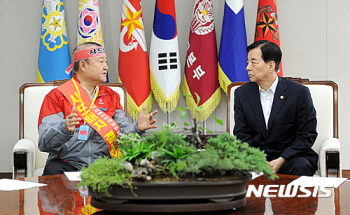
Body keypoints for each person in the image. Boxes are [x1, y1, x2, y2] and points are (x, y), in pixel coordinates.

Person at [38, 42, 158, 175]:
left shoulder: (112, 96)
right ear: (83, 65)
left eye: (106, 62)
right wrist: (64, 128)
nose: (106, 67)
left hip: (104, 165)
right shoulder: (57, 96)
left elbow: (121, 136)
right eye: (101, 62)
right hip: (66, 164)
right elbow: (44, 143)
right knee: (53, 172)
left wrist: (137, 128)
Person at [233, 40, 318, 176]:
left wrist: (281, 159)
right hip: (255, 158)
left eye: (253, 62)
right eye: (247, 62)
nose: (248, 67)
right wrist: (258, 160)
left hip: (290, 158)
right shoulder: (242, 94)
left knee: (302, 166)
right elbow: (241, 133)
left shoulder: (299, 93)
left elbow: (307, 134)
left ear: (271, 66)